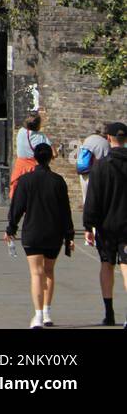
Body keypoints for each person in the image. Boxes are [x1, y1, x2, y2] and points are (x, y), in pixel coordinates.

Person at [5, 143, 75, 328]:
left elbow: (17, 208)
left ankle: (37, 316)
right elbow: (65, 211)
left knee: (36, 274)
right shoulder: (58, 181)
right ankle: (47, 312)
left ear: (35, 158)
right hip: (54, 233)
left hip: (33, 232)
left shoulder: (26, 180)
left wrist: (11, 228)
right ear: (50, 158)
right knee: (50, 272)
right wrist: (69, 236)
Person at [82, 122, 127, 328]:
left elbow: (93, 198)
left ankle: (109, 313)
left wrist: (88, 225)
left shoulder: (100, 166)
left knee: (106, 266)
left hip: (106, 226)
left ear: (108, 138)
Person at [10, 112, 51, 200]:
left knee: (18, 197)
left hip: (20, 169)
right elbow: (54, 153)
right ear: (38, 124)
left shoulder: (21, 132)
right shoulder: (41, 137)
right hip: (34, 169)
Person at [76, 123, 113, 206]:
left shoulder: (88, 139)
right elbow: (108, 160)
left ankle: (86, 216)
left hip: (83, 171)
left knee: (85, 198)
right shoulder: (105, 143)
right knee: (97, 199)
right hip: (96, 173)